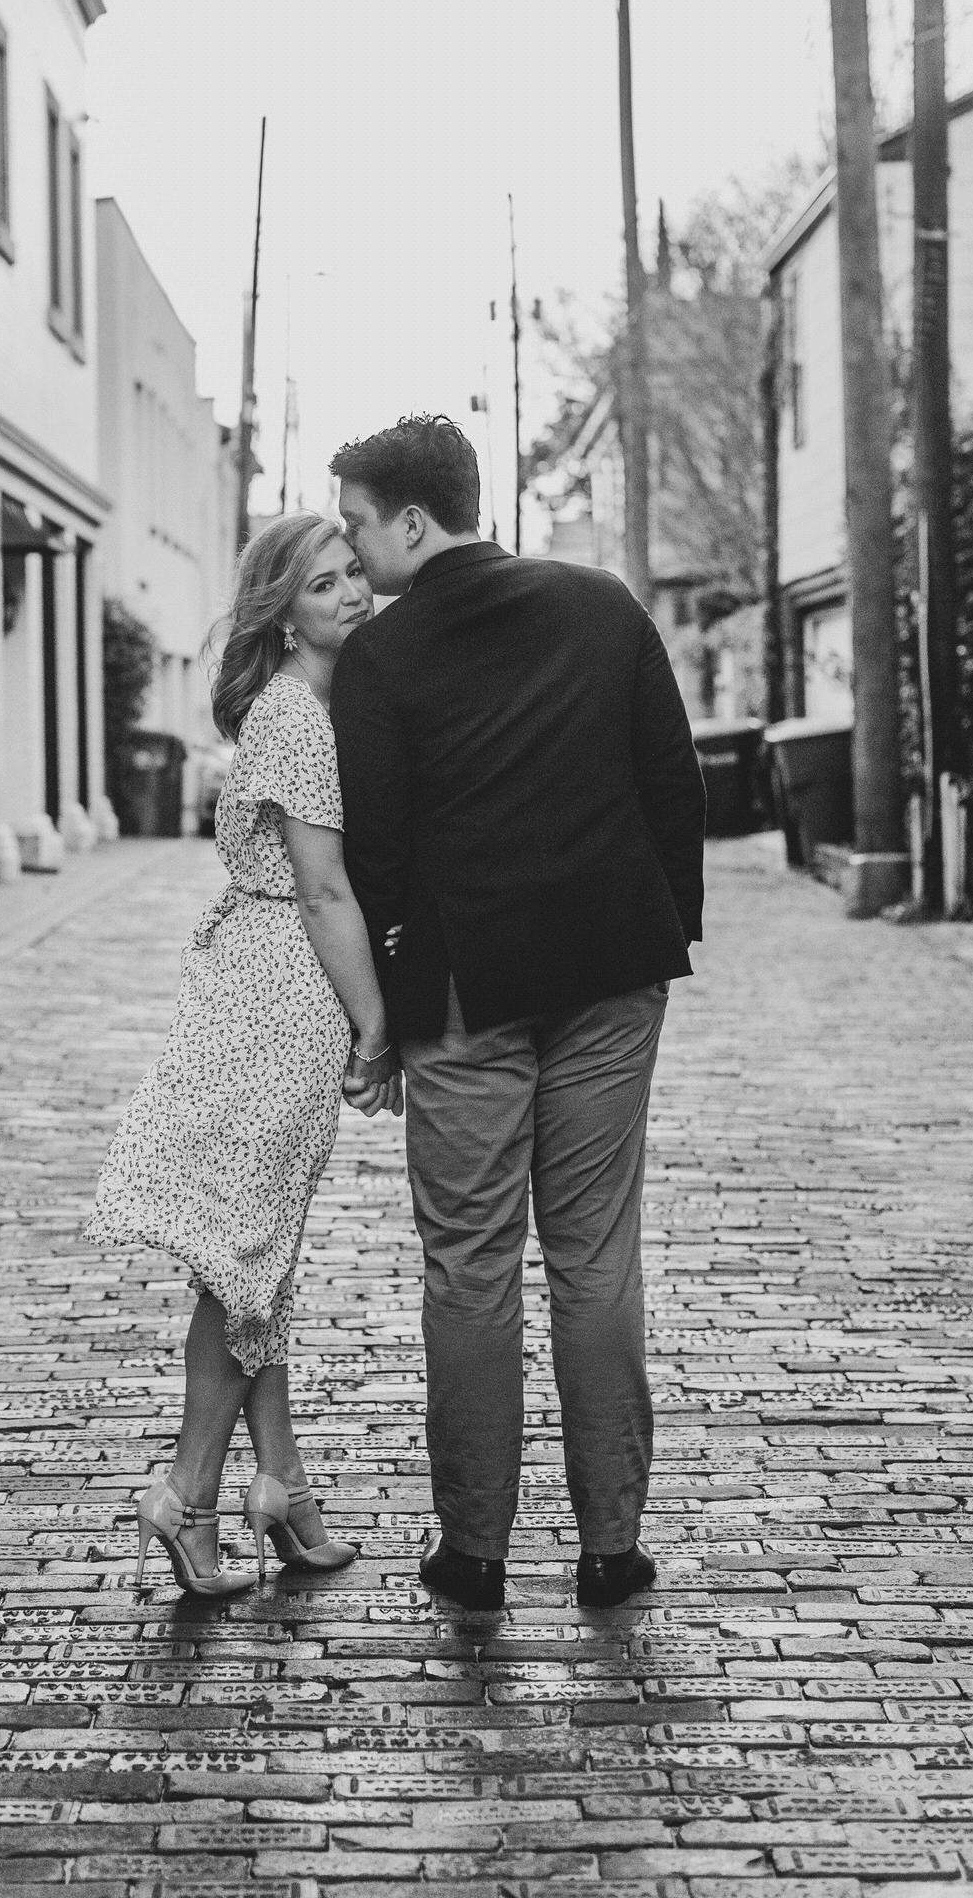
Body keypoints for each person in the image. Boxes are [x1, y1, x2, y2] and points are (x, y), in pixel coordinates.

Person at [330, 415, 706, 1611]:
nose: (352, 552)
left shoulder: (381, 657)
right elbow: (672, 784)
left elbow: (376, 854)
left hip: (461, 993)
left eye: (355, 525)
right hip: (610, 972)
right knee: (595, 1257)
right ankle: (609, 1546)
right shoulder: (602, 605)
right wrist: (660, 935)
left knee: (469, 1268)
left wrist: (385, 1016)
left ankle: (475, 1552)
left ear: (410, 521)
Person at [86, 513, 401, 1599]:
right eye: (323, 585)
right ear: (284, 612)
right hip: (282, 997)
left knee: (254, 1254)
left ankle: (283, 1486)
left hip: (259, 982)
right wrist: (375, 1025)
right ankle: (186, 1493)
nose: (352, 593)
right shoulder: (298, 716)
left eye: (354, 572)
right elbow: (323, 889)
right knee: (243, 1257)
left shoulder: (304, 703)